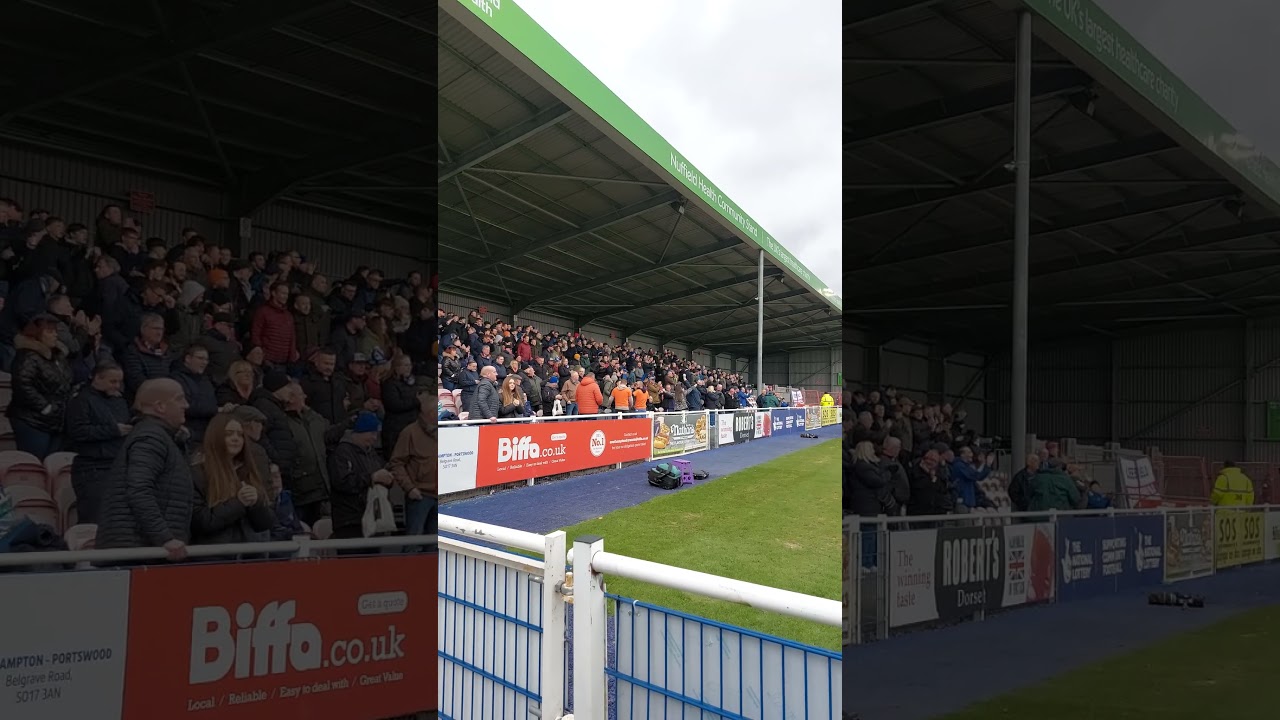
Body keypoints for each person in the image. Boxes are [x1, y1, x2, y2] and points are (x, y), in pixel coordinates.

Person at [94, 378, 193, 561]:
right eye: (180, 399)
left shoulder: (160, 437)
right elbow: (139, 490)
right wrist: (165, 537)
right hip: (138, 552)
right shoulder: (150, 438)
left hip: (143, 549)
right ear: (160, 406)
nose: (186, 405)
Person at [190, 412, 274, 549]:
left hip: (252, 556)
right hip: (216, 557)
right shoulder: (198, 474)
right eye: (229, 434)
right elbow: (201, 522)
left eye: (240, 434)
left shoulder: (249, 471)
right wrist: (238, 503)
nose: (236, 438)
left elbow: (266, 524)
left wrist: (257, 503)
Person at [65, 364, 131, 524]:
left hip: (116, 464)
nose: (117, 386)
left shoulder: (119, 401)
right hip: (92, 468)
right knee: (94, 517)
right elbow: (77, 432)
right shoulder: (81, 400)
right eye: (112, 381)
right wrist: (113, 430)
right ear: (97, 378)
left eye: (119, 382)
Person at [7, 314, 72, 459]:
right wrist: (44, 407)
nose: (55, 335)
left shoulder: (58, 357)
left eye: (55, 331)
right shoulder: (27, 356)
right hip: (32, 420)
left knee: (53, 463)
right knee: (35, 462)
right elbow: (22, 384)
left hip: (56, 419)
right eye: (50, 331)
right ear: (37, 334)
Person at [328, 411, 394, 549]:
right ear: (359, 432)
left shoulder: (371, 453)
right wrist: (372, 478)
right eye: (371, 433)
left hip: (372, 517)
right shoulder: (342, 452)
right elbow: (342, 482)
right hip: (350, 520)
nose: (374, 438)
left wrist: (387, 480)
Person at [389, 391, 436, 547]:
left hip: (439, 495)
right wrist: (409, 488)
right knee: (413, 542)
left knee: (435, 544)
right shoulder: (409, 433)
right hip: (420, 495)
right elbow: (396, 463)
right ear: (429, 414)